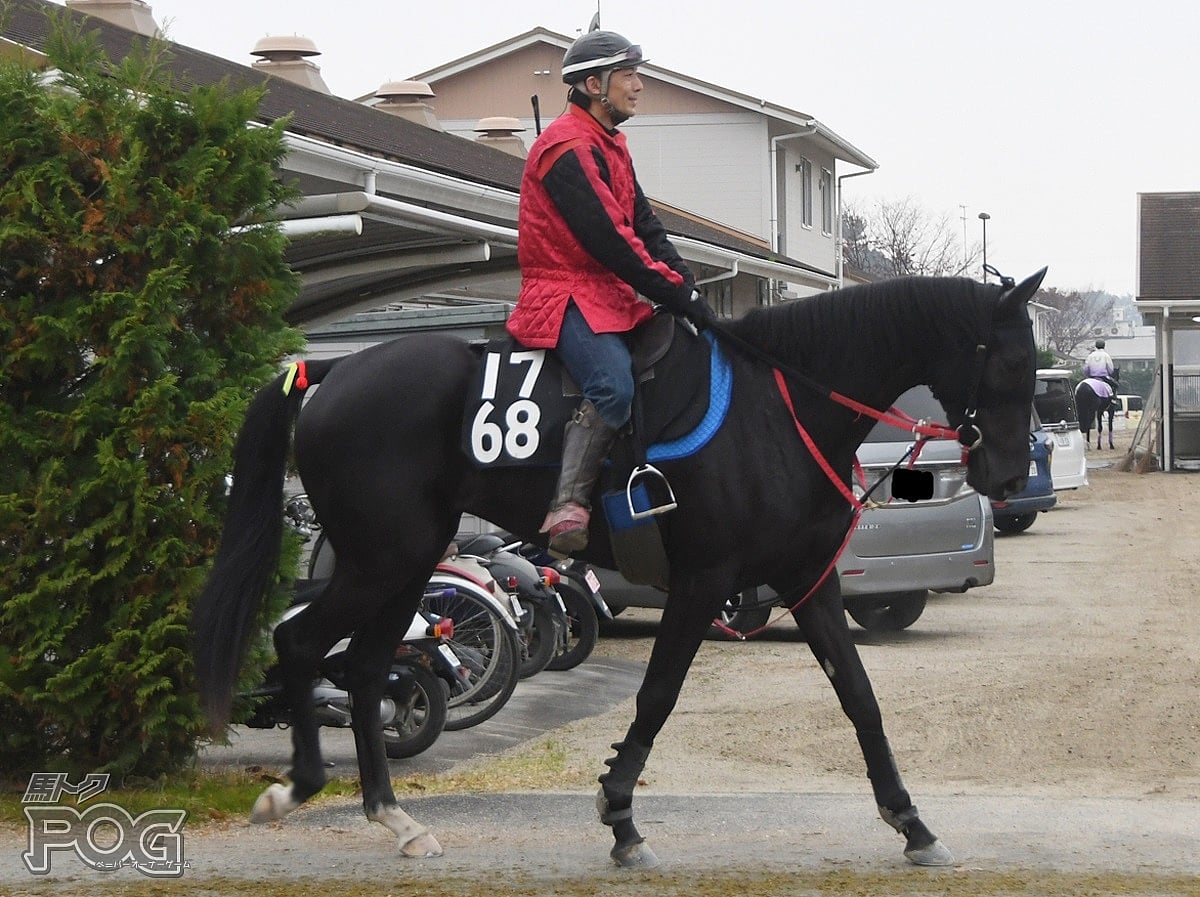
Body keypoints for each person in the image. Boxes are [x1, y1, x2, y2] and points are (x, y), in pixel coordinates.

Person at [506, 29, 715, 555]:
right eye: (629, 75)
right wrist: (674, 292)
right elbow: (613, 243)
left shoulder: (610, 144)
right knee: (613, 386)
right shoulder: (566, 147)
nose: (639, 86)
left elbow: (645, 227)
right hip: (565, 294)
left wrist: (687, 288)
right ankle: (567, 506)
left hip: (607, 293)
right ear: (595, 84)